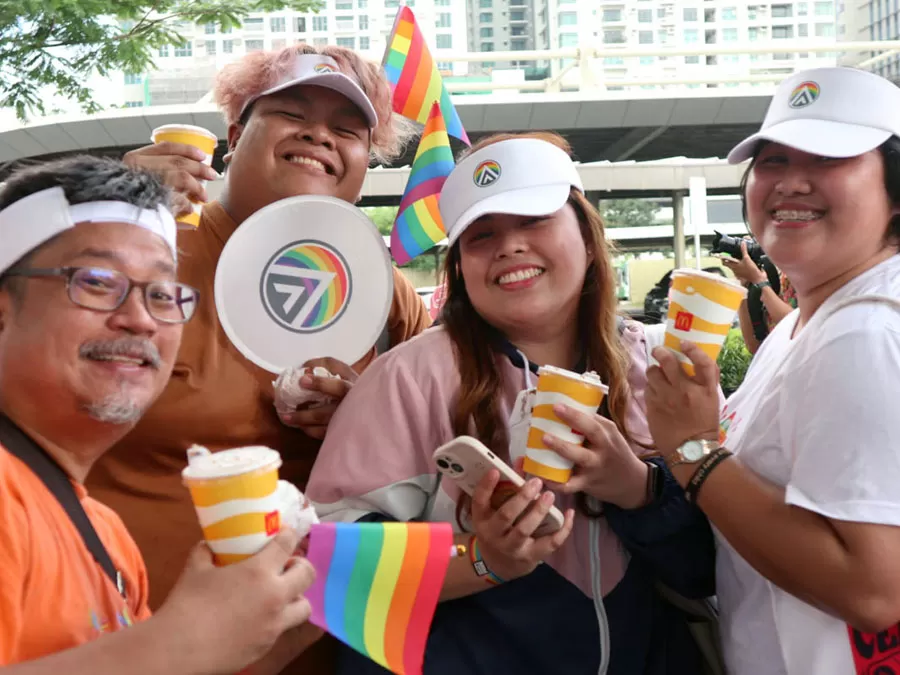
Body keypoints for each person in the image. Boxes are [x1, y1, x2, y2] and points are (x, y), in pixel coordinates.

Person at [307, 133, 716, 675]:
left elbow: (711, 569)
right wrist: (484, 560)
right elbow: (330, 569)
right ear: (460, 266)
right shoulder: (408, 378)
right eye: (482, 235)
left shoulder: (655, 368)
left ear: (588, 237)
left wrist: (639, 490)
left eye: (533, 220)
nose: (510, 246)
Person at [87, 44, 432, 672]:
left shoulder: (388, 297)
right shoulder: (139, 245)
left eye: (347, 129)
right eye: (292, 113)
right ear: (236, 134)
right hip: (139, 644)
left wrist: (367, 424)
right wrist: (101, 214)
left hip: (330, 648)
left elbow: (439, 456)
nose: (318, 135)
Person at [0, 156, 316, 674]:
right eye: (97, 281)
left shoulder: (106, 534)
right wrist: (176, 646)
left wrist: (271, 623)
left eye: (163, 294)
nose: (140, 318)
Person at [644, 66, 900, 675]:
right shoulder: (801, 324)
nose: (790, 183)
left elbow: (873, 590)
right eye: (773, 161)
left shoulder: (865, 333)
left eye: (827, 158)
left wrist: (692, 451)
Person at [723, 241, 797, 353]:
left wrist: (759, 281)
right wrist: (744, 285)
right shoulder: (774, 275)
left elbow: (801, 328)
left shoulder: (816, 275)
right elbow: (754, 346)